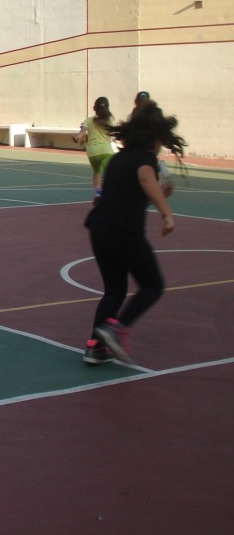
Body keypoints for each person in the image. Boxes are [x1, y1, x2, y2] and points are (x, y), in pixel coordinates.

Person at [82, 100, 185, 365]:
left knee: (114, 291)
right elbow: (145, 178)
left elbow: (129, 197)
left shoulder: (119, 159)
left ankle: (95, 346)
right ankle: (117, 328)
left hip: (100, 229)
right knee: (153, 285)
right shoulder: (144, 159)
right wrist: (167, 213)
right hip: (123, 232)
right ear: (155, 136)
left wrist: (158, 197)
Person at [73, 96, 115, 202]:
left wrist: (77, 137)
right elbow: (113, 134)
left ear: (94, 108)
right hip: (106, 151)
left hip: (92, 153)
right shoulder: (109, 120)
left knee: (97, 171)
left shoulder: (88, 120)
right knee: (113, 173)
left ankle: (97, 192)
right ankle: (112, 194)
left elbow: (82, 133)